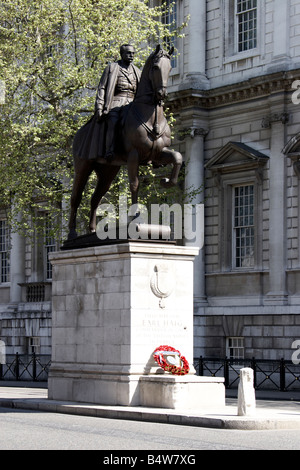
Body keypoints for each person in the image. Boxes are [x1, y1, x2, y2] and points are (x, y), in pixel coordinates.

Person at [95, 44, 141, 160]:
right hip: (116, 102)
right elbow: (102, 88)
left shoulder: (137, 71)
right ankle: (110, 150)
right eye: (128, 53)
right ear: (122, 54)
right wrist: (99, 108)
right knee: (114, 121)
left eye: (133, 53)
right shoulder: (112, 68)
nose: (131, 55)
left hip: (133, 104)